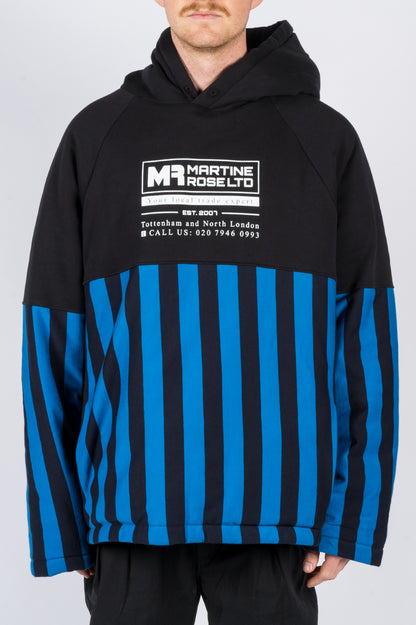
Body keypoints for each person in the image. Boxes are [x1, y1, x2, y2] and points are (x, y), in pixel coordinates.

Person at [21, 1, 399, 623]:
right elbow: (52, 336)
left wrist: (353, 515)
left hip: (278, 512)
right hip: (131, 510)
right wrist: (60, 519)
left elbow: (365, 335)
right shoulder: (97, 135)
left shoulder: (325, 139)